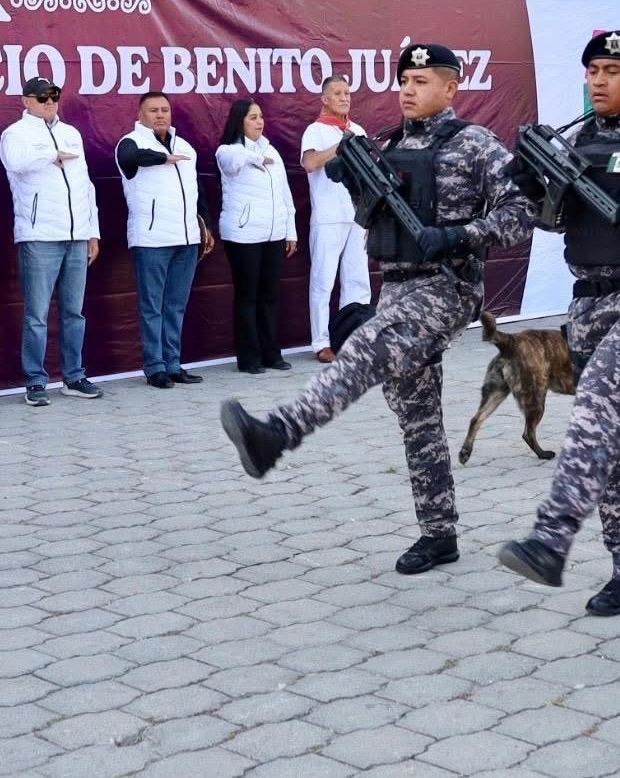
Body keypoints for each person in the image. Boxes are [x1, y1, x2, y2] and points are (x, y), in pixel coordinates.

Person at [220, 43, 533, 575]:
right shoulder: (383, 144)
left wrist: (459, 234)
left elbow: (523, 212)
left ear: (451, 87)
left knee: (365, 347)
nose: (408, 90)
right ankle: (439, 534)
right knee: (415, 413)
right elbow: (374, 221)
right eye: (403, 80)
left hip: (447, 286)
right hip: (395, 284)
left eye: (421, 81)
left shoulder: (476, 144)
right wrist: (359, 183)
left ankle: (278, 434)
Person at [494, 30, 620, 615]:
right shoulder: (574, 139)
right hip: (588, 301)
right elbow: (549, 221)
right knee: (617, 436)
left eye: (613, 70)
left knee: (598, 403)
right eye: (592, 70)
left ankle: (552, 537)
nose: (598, 80)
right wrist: (527, 184)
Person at [0, 77, 103, 407]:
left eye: (54, 96)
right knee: (37, 315)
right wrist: (49, 155)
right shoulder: (15, 134)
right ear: (26, 100)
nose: (49, 101)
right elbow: (15, 164)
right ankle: (35, 380)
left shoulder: (71, 133)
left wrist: (92, 230)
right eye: (42, 97)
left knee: (74, 312)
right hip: (39, 235)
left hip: (75, 235)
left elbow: (86, 185)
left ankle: (73, 375)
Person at [117, 91, 215, 389]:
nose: (160, 115)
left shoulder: (184, 146)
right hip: (151, 240)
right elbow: (131, 159)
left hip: (185, 238)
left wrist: (204, 224)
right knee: (152, 306)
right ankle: (154, 367)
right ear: (140, 115)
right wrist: (163, 158)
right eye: (153, 110)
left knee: (176, 305)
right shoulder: (130, 142)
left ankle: (173, 364)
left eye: (164, 110)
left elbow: (196, 188)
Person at [216, 98, 298, 374]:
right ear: (239, 122)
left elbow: (285, 195)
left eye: (261, 116)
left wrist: (290, 231)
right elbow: (233, 161)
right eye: (252, 117)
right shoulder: (228, 151)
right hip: (243, 235)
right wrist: (255, 156)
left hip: (273, 233)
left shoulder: (271, 149)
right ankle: (249, 358)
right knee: (247, 296)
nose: (259, 122)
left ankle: (271, 353)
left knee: (270, 295)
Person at [301, 76, 372, 363]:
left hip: (357, 216)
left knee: (357, 279)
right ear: (325, 99)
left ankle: (354, 338)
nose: (344, 97)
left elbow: (369, 175)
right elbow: (310, 163)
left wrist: (369, 216)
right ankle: (321, 342)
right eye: (337, 93)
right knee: (323, 281)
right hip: (328, 217)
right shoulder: (315, 130)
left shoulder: (358, 129)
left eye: (347, 93)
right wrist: (341, 146)